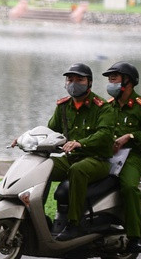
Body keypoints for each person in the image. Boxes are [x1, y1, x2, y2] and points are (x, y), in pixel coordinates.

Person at [47, 63, 114, 240]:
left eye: (79, 79)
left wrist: (80, 143)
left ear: (89, 83)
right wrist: (27, 137)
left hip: (97, 160)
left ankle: (74, 224)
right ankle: (35, 215)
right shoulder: (63, 106)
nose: (74, 83)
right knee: (43, 166)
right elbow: (51, 130)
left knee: (78, 171)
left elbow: (105, 135)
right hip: (70, 158)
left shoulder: (102, 107)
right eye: (70, 79)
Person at [102, 61, 141, 254]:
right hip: (108, 156)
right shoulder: (107, 106)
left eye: (114, 79)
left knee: (128, 187)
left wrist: (131, 136)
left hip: (133, 157)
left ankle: (134, 237)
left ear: (128, 82)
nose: (110, 83)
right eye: (109, 79)